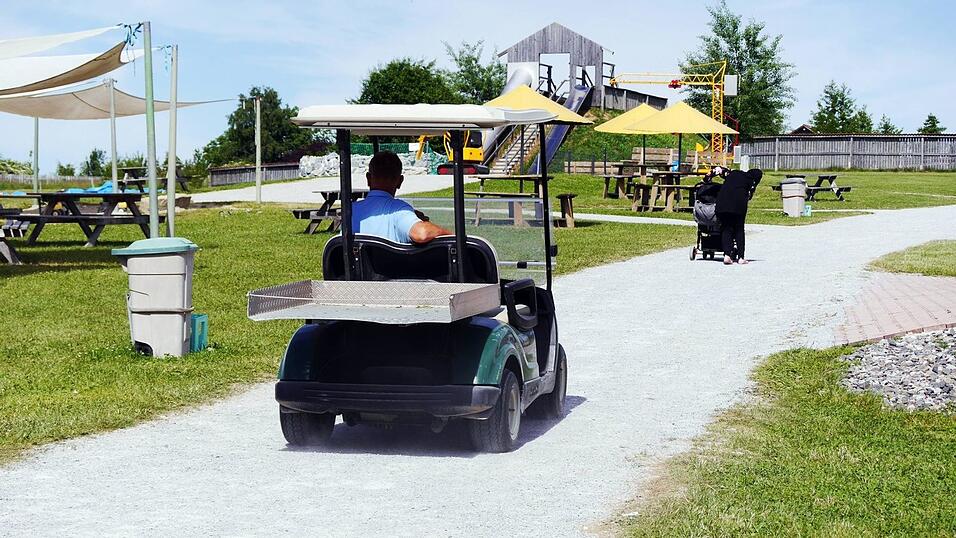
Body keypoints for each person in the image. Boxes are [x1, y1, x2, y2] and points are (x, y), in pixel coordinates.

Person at [351, 151, 451, 244]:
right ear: (400, 181)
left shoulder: (350, 211)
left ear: (368, 178)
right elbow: (422, 233)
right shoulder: (399, 210)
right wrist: (451, 235)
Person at [714, 167, 763, 265]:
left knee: (726, 228)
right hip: (737, 206)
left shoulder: (734, 173)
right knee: (739, 229)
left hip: (721, 204)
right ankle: (740, 257)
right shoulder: (752, 181)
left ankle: (727, 255)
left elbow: (724, 173)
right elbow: (749, 196)